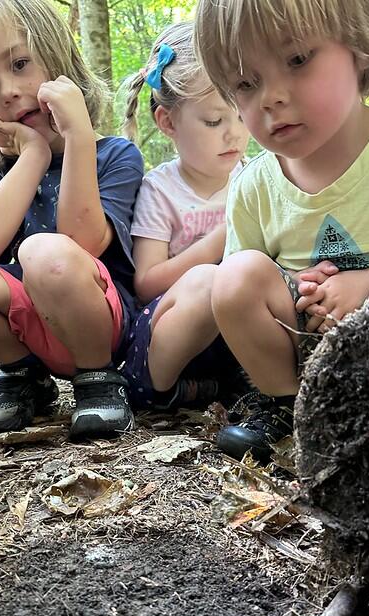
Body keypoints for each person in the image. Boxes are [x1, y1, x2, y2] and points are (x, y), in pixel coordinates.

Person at [194, 0, 369, 462]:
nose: (272, 97)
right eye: (245, 83)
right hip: (303, 353)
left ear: (365, 47)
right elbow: (244, 295)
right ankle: (288, 413)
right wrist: (301, 289)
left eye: (297, 59)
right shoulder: (253, 184)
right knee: (233, 276)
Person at [0, 0, 144, 462]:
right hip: (29, 327)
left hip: (99, 323)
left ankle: (98, 379)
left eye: (20, 64)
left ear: (60, 60)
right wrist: (33, 156)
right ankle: (23, 377)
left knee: (45, 253)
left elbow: (82, 242)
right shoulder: (7, 173)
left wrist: (76, 135)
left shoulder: (114, 155)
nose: (10, 92)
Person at [120, 21, 249, 410]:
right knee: (210, 281)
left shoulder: (253, 177)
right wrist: (218, 241)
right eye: (214, 121)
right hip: (167, 336)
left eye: (242, 115)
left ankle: (244, 387)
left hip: (230, 341)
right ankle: (158, 390)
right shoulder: (161, 190)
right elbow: (146, 283)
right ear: (168, 122)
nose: (235, 134)